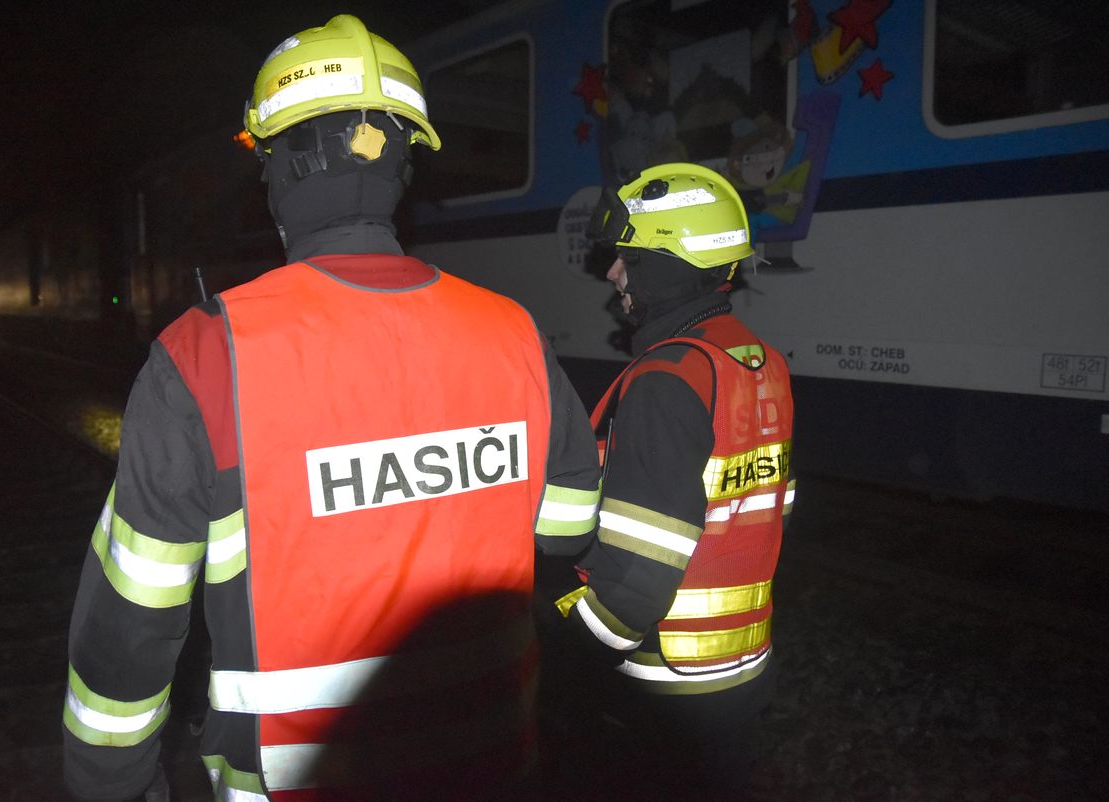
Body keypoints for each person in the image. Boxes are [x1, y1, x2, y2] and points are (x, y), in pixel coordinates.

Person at [62, 15, 601, 801]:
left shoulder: (206, 355)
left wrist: (106, 779)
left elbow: (134, 616)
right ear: (404, 165)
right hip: (492, 760)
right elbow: (567, 527)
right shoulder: (512, 331)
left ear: (281, 168)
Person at [548, 163, 796, 797]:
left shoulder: (669, 379)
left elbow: (639, 575)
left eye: (628, 258)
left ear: (670, 264)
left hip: (665, 686)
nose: (613, 273)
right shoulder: (759, 361)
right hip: (740, 666)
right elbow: (766, 507)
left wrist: (566, 657)